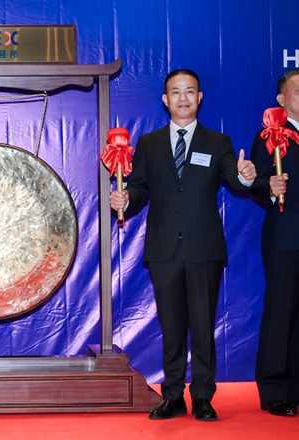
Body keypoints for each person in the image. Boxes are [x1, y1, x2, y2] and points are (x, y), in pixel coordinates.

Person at [109, 69, 256, 422]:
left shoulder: (217, 141)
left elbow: (234, 178)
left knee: (203, 325)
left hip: (204, 248)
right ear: (166, 99)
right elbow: (140, 188)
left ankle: (203, 396)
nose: (183, 98)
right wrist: (126, 198)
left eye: (190, 91)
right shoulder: (150, 143)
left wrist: (246, 176)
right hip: (164, 248)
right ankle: (172, 395)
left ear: (200, 98)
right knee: (172, 327)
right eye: (176, 92)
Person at [250, 68, 299, 417]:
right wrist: (269, 187)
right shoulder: (271, 136)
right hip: (286, 237)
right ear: (282, 100)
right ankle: (275, 389)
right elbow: (256, 180)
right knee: (282, 314)